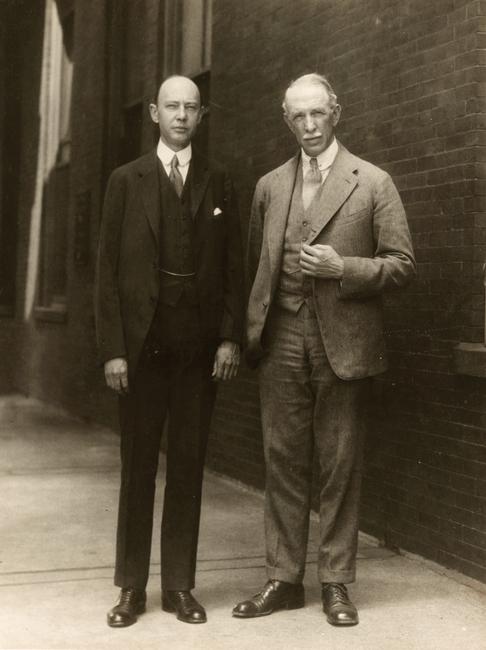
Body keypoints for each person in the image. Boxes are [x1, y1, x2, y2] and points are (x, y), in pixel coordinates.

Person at [233, 73, 416, 626]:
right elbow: (254, 268)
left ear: (336, 111)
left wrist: (345, 268)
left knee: (339, 462)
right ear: (285, 119)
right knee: (283, 459)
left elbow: (403, 265)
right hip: (283, 336)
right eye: (297, 117)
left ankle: (336, 581)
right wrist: (253, 331)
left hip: (344, 340)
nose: (309, 126)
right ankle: (283, 579)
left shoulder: (373, 182)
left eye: (318, 114)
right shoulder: (270, 186)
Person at [95, 75, 244, 627]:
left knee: (187, 463)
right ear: (154, 113)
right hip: (141, 350)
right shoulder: (125, 181)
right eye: (171, 107)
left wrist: (230, 336)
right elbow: (106, 273)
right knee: (137, 467)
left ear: (202, 116)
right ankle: (131, 587)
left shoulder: (220, 180)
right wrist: (113, 350)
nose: (181, 115)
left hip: (198, 351)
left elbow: (234, 269)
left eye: (191, 107)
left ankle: (180, 584)